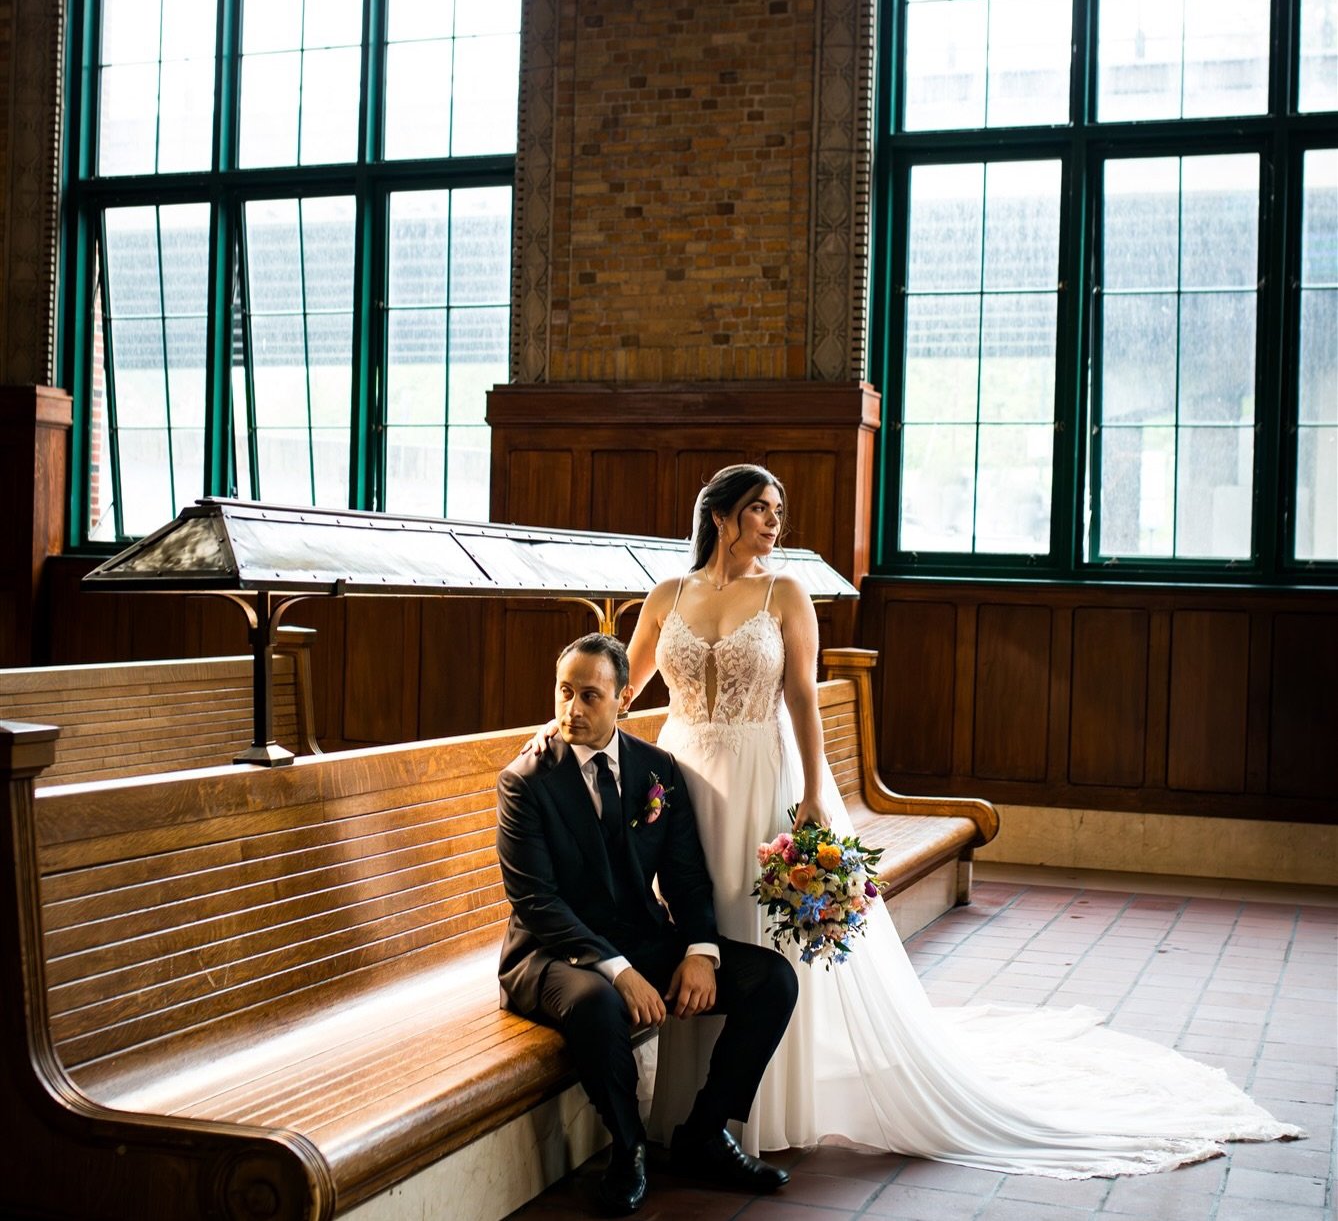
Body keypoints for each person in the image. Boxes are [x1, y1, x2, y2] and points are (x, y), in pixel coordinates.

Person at [529, 464, 1301, 1178]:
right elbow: (619, 687)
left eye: (779, 511)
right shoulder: (668, 594)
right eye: (761, 508)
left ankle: (754, 1108)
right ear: (723, 515)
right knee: (703, 918)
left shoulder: (785, 595)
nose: (774, 522)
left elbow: (800, 697)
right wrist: (554, 728)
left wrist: (809, 795)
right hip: (684, 768)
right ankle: (692, 1107)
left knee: (758, 928)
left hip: (763, 773)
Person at [496, 630, 799, 1215]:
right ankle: (627, 1147)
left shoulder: (656, 771)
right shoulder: (526, 781)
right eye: (564, 693)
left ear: (623, 698)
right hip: (551, 955)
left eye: (589, 696)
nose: (572, 710)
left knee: (772, 980)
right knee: (598, 1004)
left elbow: (685, 878)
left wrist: (700, 951)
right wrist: (617, 971)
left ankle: (704, 1134)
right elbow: (536, 902)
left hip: (642, 939)